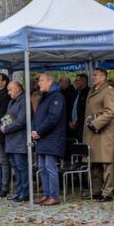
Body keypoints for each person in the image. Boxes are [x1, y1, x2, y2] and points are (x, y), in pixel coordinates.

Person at [83, 69, 114, 202]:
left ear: (103, 77)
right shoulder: (92, 90)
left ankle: (107, 192)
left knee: (106, 163)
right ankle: (96, 190)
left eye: (96, 75)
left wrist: (96, 123)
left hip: (103, 131)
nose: (93, 77)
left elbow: (110, 111)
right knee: (94, 163)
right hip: (93, 132)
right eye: (93, 75)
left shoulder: (109, 90)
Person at [32, 73, 67, 206]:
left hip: (52, 138)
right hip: (42, 137)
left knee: (50, 167)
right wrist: (34, 130)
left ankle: (54, 196)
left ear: (50, 82)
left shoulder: (57, 96)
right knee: (42, 167)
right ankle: (46, 194)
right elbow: (38, 116)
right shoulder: (45, 97)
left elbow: (53, 118)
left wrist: (39, 131)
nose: (39, 83)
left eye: (41, 81)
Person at [2, 80, 29, 202]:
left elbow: (21, 121)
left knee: (22, 167)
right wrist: (3, 126)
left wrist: (6, 128)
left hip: (20, 139)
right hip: (11, 139)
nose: (8, 93)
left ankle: (25, 192)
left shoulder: (24, 101)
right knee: (15, 167)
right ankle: (18, 191)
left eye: (10, 90)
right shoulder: (11, 102)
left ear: (18, 89)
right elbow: (7, 117)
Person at [68, 73, 91, 142]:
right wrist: (70, 121)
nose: (74, 82)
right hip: (73, 126)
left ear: (83, 81)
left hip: (83, 127)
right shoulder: (76, 93)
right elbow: (72, 108)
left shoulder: (89, 93)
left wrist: (78, 122)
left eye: (77, 80)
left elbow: (86, 110)